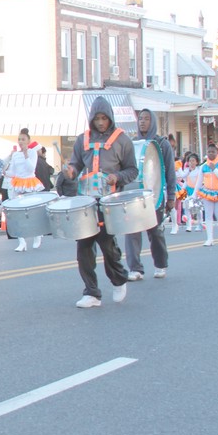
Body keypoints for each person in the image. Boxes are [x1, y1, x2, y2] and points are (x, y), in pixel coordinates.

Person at [66, 97, 137, 309]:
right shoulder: (82, 139)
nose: (100, 122)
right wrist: (70, 171)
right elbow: (75, 165)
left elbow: (132, 170)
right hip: (86, 202)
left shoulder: (122, 140)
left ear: (110, 118)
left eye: (104, 118)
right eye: (96, 118)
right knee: (84, 247)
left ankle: (118, 278)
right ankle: (91, 293)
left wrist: (117, 177)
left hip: (110, 203)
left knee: (108, 246)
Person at [124, 108, 176, 281]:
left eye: (146, 119)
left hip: (155, 195)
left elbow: (170, 172)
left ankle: (160, 265)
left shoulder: (162, 143)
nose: (142, 122)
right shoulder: (132, 143)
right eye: (140, 119)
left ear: (152, 121)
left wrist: (171, 197)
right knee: (132, 231)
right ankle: (135, 268)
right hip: (135, 195)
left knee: (155, 232)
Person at [1, 128, 45, 252]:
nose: (21, 141)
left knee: (32, 212)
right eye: (19, 139)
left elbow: (31, 169)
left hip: (29, 183)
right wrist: (5, 172)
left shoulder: (32, 153)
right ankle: (21, 242)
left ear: (28, 140)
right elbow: (13, 171)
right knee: (15, 213)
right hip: (17, 183)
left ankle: (37, 235)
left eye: (23, 139)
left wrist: (26, 155)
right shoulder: (15, 154)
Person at [197, 143, 218, 246]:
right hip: (207, 192)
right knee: (208, 216)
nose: (211, 154)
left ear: (217, 153)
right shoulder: (203, 166)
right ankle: (209, 238)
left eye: (213, 152)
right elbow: (199, 182)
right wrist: (194, 195)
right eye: (209, 152)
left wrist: (214, 169)